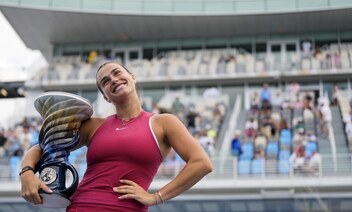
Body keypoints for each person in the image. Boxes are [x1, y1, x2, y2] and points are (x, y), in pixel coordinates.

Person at [19, 62, 213, 211]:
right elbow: (44, 146)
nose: (113, 79)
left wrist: (156, 197)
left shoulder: (164, 122)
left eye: (117, 73)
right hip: (82, 205)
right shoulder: (95, 125)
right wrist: (27, 173)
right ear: (105, 96)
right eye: (105, 81)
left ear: (132, 77)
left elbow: (201, 163)